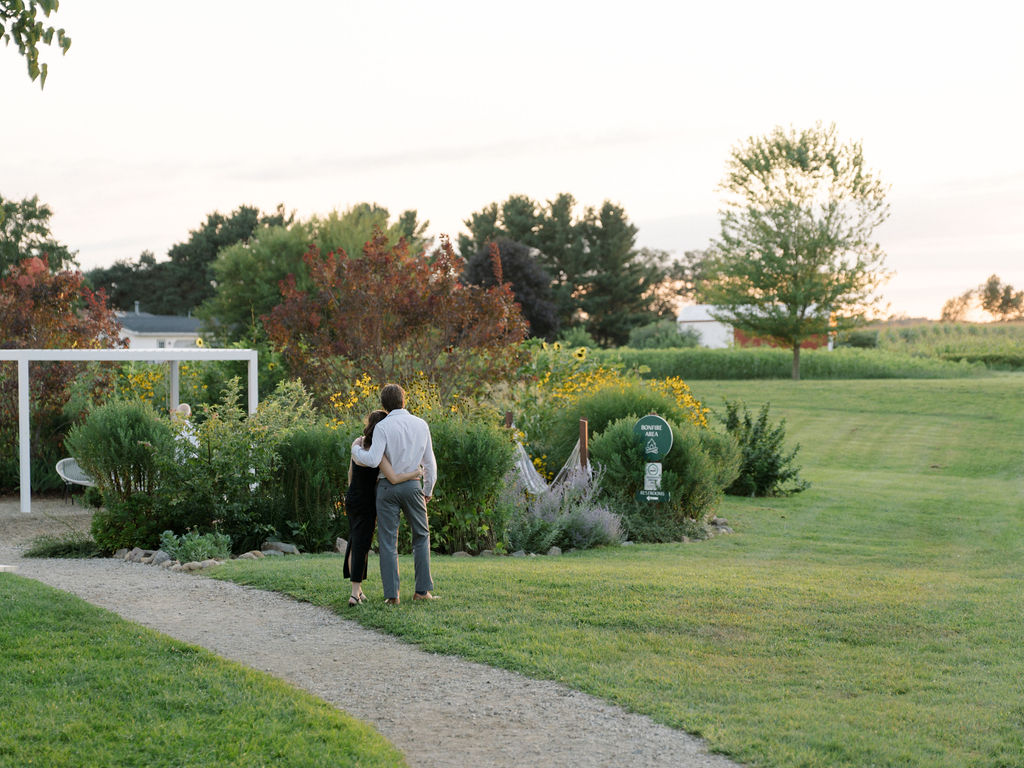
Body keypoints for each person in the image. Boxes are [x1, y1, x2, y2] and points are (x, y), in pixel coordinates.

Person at [350, 383, 438, 605]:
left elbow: (371, 460)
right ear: (404, 400)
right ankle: (422, 591)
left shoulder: (382, 427)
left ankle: (392, 596)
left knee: (388, 541)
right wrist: (427, 490)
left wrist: (355, 450)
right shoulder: (421, 424)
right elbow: (430, 463)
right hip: (412, 486)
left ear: (383, 405)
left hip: (386, 488)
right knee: (422, 536)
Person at [344, 410, 422, 606]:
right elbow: (394, 477)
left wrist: (351, 494)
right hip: (368, 501)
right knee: (362, 544)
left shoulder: (357, 443)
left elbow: (350, 473)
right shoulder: (378, 452)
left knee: (355, 541)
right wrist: (415, 473)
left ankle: (358, 590)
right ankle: (354, 593)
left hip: (353, 497)